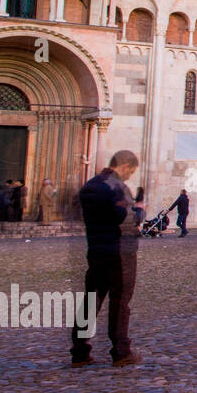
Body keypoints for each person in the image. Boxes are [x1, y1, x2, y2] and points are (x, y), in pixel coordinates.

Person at [71, 150, 142, 367]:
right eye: (131, 170)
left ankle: (80, 351)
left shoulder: (89, 185)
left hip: (95, 250)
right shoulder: (117, 187)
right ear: (124, 166)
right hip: (120, 251)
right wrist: (139, 211)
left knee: (91, 300)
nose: (130, 175)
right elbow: (125, 217)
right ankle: (121, 351)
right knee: (120, 301)